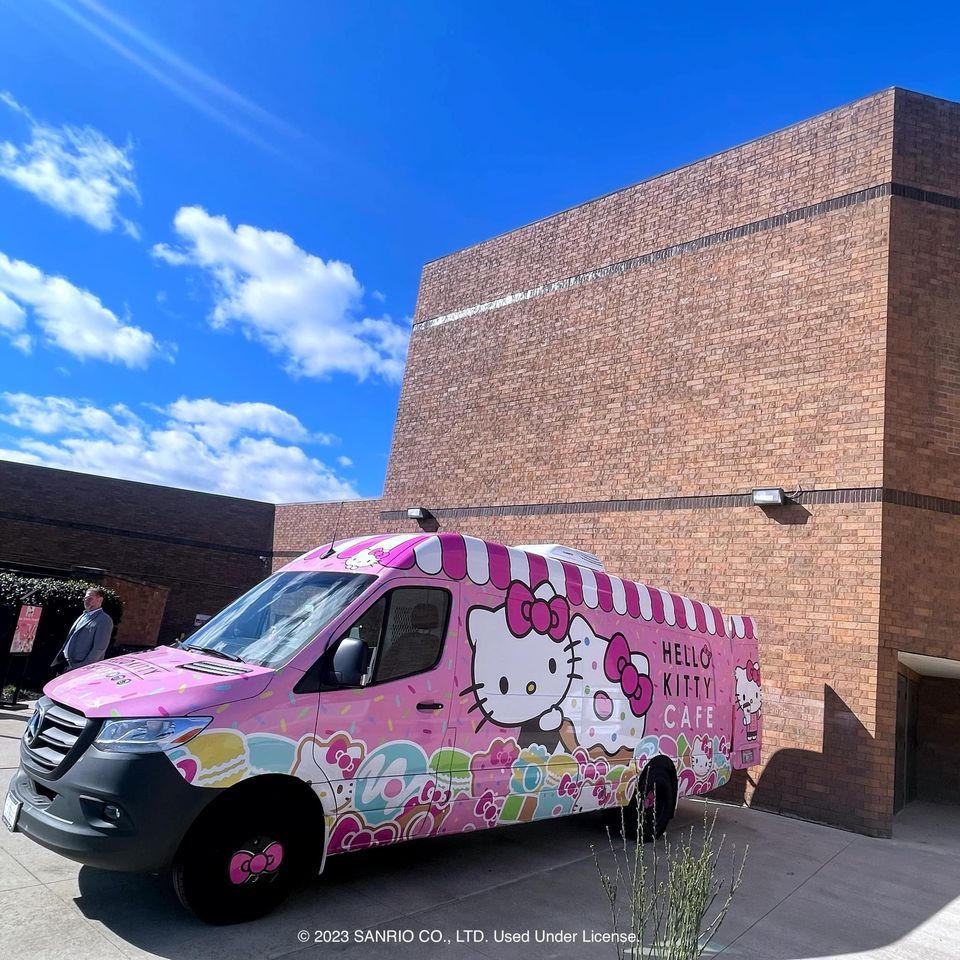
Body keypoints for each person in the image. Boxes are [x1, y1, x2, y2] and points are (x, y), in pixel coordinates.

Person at [54, 587, 114, 673]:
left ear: (100, 600)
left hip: (78, 667)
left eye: (90, 598)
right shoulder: (83, 615)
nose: (86, 601)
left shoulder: (104, 620)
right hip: (65, 664)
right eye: (85, 598)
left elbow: (99, 649)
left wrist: (82, 668)